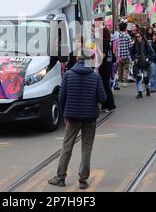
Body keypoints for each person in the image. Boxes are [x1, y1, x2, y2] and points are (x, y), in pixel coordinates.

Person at [47, 53, 106, 190]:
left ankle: (60, 177)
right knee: (87, 147)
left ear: (78, 60)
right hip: (89, 117)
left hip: (72, 117)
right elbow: (102, 98)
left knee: (67, 146)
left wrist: (65, 114)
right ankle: (83, 180)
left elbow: (61, 97)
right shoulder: (95, 76)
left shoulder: (68, 75)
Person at [130, 31, 155, 99]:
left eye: (139, 36)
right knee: (138, 78)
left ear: (142, 37)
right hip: (138, 64)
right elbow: (131, 53)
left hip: (145, 64)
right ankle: (140, 92)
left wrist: (148, 58)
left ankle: (147, 90)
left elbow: (152, 53)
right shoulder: (135, 44)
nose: (138, 38)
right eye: (136, 37)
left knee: (146, 78)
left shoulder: (147, 44)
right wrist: (134, 58)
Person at [98, 27, 116, 112]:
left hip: (104, 66)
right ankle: (105, 105)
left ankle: (110, 105)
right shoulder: (109, 43)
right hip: (108, 65)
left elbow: (102, 56)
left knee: (105, 86)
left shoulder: (103, 43)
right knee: (105, 85)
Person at [117, 22, 132, 88]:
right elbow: (130, 45)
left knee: (120, 68)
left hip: (119, 56)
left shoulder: (117, 36)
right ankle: (124, 81)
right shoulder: (127, 36)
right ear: (125, 28)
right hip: (126, 54)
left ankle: (120, 80)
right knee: (126, 68)